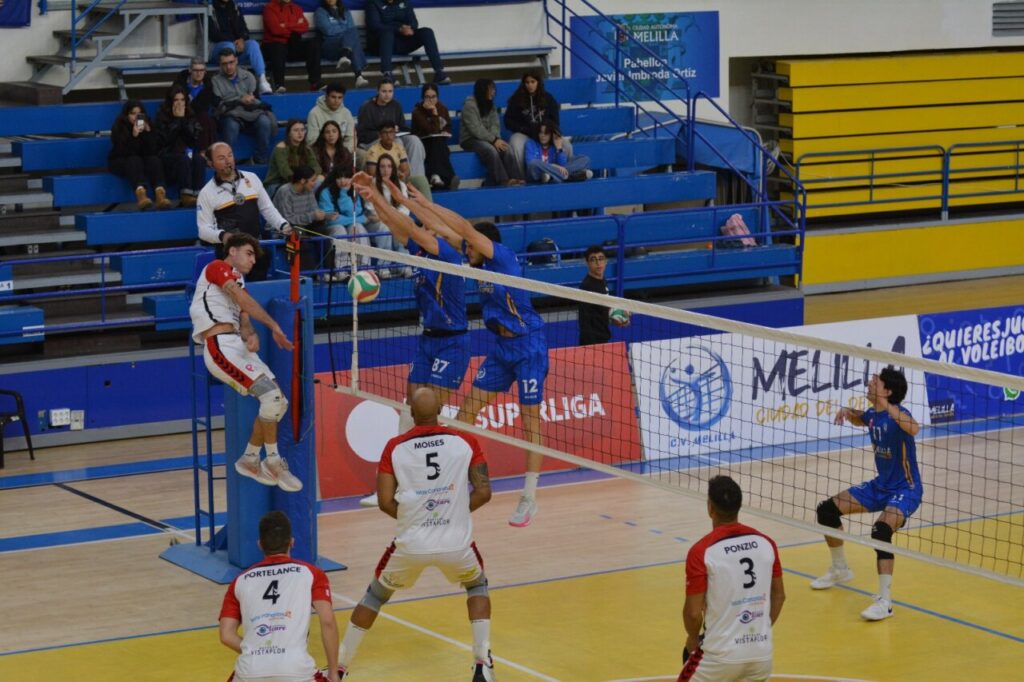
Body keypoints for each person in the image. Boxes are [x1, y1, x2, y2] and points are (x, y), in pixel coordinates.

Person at [391, 198, 544, 526]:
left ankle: (529, 496)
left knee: (530, 423)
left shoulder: (500, 257)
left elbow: (461, 228)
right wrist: (410, 203)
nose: (464, 252)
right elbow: (448, 231)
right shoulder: (478, 265)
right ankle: (460, 482)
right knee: (463, 418)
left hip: (530, 346)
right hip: (502, 348)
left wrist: (415, 199)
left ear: (482, 244)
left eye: (469, 247)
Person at [335, 387, 495, 681]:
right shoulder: (465, 441)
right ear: (441, 410)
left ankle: (340, 669)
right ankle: (482, 664)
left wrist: (416, 519)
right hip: (456, 544)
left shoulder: (395, 447)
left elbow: (384, 502)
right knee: (477, 586)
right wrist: (451, 515)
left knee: (374, 597)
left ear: (409, 413)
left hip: (410, 544)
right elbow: (484, 492)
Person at [190, 232, 303, 492]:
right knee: (271, 398)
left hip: (236, 346)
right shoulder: (217, 268)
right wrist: (273, 325)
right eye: (249, 253)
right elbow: (242, 300)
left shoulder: (239, 281)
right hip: (218, 346)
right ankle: (273, 461)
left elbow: (244, 321)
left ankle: (250, 458)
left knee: (279, 403)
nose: (253, 260)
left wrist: (251, 336)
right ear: (232, 251)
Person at [812, 366, 922, 621]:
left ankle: (885, 601)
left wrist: (886, 404)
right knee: (826, 510)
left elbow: (914, 428)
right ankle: (840, 569)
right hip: (879, 486)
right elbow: (863, 417)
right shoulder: (874, 414)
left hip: (906, 490)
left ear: (888, 391)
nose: (870, 383)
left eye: (876, 381)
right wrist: (848, 412)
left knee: (880, 531)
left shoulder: (899, 416)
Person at [680, 475, 785, 682]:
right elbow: (779, 596)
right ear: (739, 505)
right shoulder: (766, 543)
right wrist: (757, 633)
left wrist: (693, 639)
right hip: (761, 656)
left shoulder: (701, 551)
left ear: (710, 508)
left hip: (719, 658)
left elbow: (693, 613)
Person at [219, 511, 339, 682]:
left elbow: (226, 635)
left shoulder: (240, 580)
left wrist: (255, 650)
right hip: (296, 671)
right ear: (292, 542)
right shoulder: (312, 573)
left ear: (260, 544)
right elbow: (328, 621)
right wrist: (333, 672)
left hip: (250, 670)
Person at [198, 143, 291, 283]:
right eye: (221, 158)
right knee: (231, 298)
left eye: (230, 155)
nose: (228, 161)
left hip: (256, 246)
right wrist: (222, 236)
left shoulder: (252, 178)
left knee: (257, 295)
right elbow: (203, 230)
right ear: (211, 163)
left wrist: (283, 225)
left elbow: (268, 209)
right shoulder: (206, 193)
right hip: (228, 252)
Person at [211, 48, 277, 165]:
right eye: (225, 64)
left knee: (265, 121)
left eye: (231, 62)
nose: (229, 67)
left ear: (236, 60)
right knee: (231, 125)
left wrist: (247, 100)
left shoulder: (248, 76)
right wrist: (240, 100)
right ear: (220, 65)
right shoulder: (215, 81)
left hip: (250, 114)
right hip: (230, 116)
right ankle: (227, 163)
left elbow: (255, 100)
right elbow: (219, 105)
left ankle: (260, 159)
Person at [155, 85, 215, 208]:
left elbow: (194, 140)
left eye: (182, 100)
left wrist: (182, 120)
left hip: (187, 153)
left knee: (199, 159)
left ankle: (199, 194)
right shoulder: (161, 117)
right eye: (176, 100)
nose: (179, 103)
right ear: (171, 101)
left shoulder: (190, 116)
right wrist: (177, 120)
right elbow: (165, 141)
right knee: (183, 159)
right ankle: (185, 194)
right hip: (167, 155)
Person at [356, 80, 427, 183]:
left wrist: (397, 129)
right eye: (384, 91)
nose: (387, 95)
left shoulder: (396, 105)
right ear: (378, 91)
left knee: (414, 140)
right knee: (396, 141)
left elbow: (403, 127)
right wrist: (385, 133)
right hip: (371, 141)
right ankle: (397, 180)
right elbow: (362, 134)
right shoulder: (367, 107)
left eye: (390, 91)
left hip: (393, 137)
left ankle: (416, 179)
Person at [108, 99, 172, 211]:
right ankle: (141, 194)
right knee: (134, 160)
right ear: (126, 115)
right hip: (121, 161)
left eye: (139, 114)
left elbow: (152, 151)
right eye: (133, 113)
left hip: (141, 161)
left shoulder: (148, 126)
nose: (136, 117)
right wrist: (134, 136)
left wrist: (148, 134)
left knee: (154, 160)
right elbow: (124, 152)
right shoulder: (119, 127)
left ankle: (160, 194)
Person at [365, 0, 449, 85]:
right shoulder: (373, 3)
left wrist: (410, 28)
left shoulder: (404, 2)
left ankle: (439, 73)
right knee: (387, 33)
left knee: (427, 32)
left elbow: (414, 22)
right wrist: (399, 29)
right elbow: (374, 26)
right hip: (380, 46)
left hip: (401, 42)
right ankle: (387, 74)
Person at [504, 70, 572, 172]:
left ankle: (568, 173)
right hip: (525, 134)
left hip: (546, 133)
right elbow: (508, 121)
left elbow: (555, 121)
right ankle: (522, 177)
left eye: (533, 82)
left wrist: (549, 132)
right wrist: (522, 128)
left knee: (567, 145)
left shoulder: (548, 98)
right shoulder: (516, 99)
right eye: (527, 82)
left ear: (538, 82)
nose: (530, 85)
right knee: (515, 142)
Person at [460, 79, 524, 187]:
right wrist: (493, 140)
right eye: (490, 89)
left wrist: (496, 139)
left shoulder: (492, 106)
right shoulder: (469, 106)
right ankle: (503, 181)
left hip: (489, 139)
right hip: (470, 139)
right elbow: (476, 129)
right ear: (482, 90)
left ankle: (516, 178)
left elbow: (495, 125)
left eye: (493, 89)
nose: (493, 92)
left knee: (507, 149)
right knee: (491, 151)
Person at [207, 0, 274, 95]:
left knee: (253, 44)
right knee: (229, 46)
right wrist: (234, 42)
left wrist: (242, 39)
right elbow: (213, 34)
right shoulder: (209, 6)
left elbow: (244, 29)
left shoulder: (233, 6)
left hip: (235, 48)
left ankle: (263, 81)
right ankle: (230, 87)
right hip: (215, 50)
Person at [317, 165, 371, 275]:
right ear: (334, 178)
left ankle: (364, 267)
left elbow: (354, 213)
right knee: (340, 229)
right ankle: (342, 270)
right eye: (339, 178)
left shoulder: (355, 191)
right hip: (330, 227)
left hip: (348, 224)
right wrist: (358, 219)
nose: (343, 181)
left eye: (347, 177)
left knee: (358, 228)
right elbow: (332, 220)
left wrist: (344, 194)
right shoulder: (325, 193)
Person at [262, 0, 324, 93]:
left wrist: (285, 25)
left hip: (292, 44)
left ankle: (315, 83)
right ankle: (279, 85)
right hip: (273, 46)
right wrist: (295, 26)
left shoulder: (296, 8)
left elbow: (305, 26)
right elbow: (276, 30)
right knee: (279, 47)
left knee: (313, 45)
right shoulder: (269, 8)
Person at [365, 121, 431, 200]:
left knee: (421, 180)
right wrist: (392, 175)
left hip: (398, 179)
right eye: (385, 133)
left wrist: (403, 175)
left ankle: (429, 208)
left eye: (391, 132)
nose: (389, 136)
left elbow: (406, 170)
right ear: (379, 135)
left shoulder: (399, 147)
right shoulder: (373, 151)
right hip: (382, 181)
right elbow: (372, 174)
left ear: (395, 134)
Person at [411, 83, 458, 190]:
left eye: (433, 97)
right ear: (423, 97)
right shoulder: (417, 112)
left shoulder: (443, 108)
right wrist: (434, 113)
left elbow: (448, 126)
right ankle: (449, 178)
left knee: (439, 143)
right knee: (436, 143)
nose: (431, 100)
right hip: (423, 144)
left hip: (439, 144)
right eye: (428, 97)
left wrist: (446, 132)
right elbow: (431, 130)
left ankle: (435, 176)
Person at [314, 0, 369, 89]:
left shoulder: (345, 11)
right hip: (330, 47)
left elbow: (351, 29)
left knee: (352, 33)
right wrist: (344, 30)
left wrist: (340, 30)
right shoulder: (320, 12)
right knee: (351, 37)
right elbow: (328, 31)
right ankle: (358, 75)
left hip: (345, 47)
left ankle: (357, 74)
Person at [578, 245, 625, 346]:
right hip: (592, 342)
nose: (598, 263)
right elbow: (585, 320)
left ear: (606, 261)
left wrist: (616, 318)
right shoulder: (587, 286)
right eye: (593, 260)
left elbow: (600, 311)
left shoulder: (602, 280)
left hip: (602, 338)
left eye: (600, 259)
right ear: (587, 263)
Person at [265, 119, 323, 199]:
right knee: (292, 187)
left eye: (302, 130)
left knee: (318, 182)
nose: (300, 133)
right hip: (278, 184)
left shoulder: (307, 149)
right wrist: (303, 181)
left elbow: (316, 167)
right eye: (296, 130)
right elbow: (285, 172)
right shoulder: (281, 148)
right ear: (289, 133)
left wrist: (308, 179)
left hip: (301, 182)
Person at [524, 119, 592, 184]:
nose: (543, 135)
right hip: (537, 175)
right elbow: (530, 164)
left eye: (546, 133)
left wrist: (559, 148)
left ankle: (553, 177)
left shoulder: (554, 145)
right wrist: (553, 166)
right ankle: (570, 176)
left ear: (551, 135)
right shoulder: (531, 143)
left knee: (585, 159)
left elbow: (563, 165)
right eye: (540, 132)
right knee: (534, 163)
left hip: (547, 175)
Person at [274, 164, 334, 230]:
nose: (315, 183)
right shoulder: (285, 192)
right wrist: (313, 216)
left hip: (302, 226)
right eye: (313, 180)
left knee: (322, 228)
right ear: (302, 181)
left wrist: (325, 215)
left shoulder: (309, 190)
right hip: (282, 228)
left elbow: (314, 210)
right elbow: (288, 219)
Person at [306, 83, 356, 152]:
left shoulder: (347, 113)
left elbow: (350, 138)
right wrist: (330, 152)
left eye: (340, 97)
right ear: (326, 96)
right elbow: (312, 140)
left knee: (363, 155)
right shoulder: (314, 113)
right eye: (333, 97)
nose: (336, 101)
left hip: (343, 152)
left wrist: (344, 153)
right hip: (322, 152)